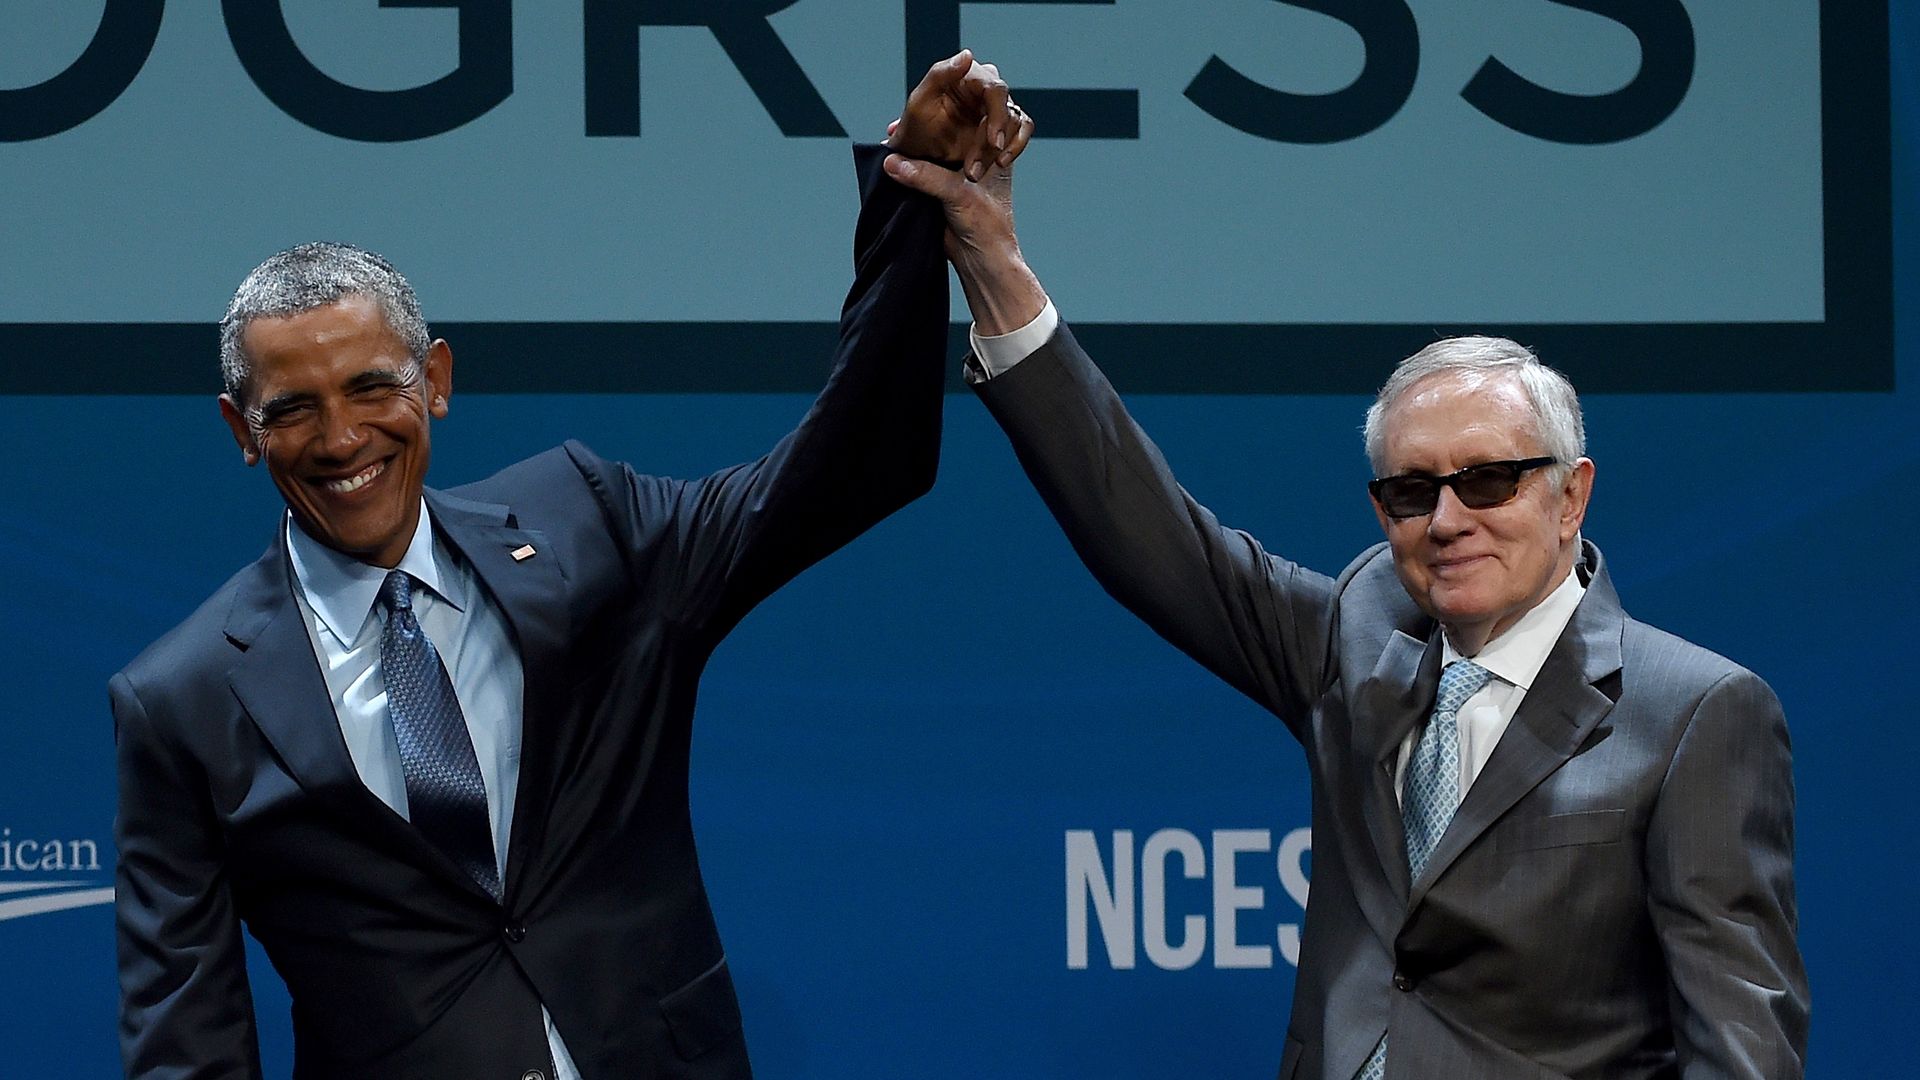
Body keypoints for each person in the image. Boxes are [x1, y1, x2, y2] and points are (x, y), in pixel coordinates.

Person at [110, 53, 1032, 1080]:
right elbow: (187, 1045)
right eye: (292, 410)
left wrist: (913, 198)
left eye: (372, 388)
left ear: (437, 381)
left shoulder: (581, 525)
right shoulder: (183, 701)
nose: (340, 439)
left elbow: (851, 470)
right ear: (243, 430)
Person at [881, 150, 1810, 1077]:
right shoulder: (1353, 644)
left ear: (1570, 498)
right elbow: (1144, 528)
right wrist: (995, 263)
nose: (1448, 521)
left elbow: (1740, 1045)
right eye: (1412, 491)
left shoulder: (1694, 712)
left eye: (1487, 481)